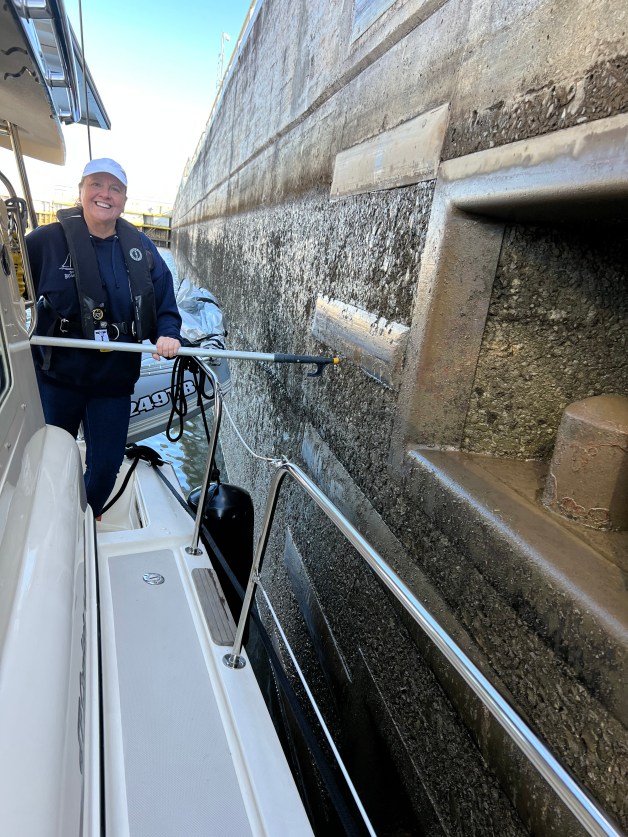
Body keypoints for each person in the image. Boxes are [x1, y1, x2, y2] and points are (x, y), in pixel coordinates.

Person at [27, 158, 182, 517]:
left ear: (124, 200)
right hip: (57, 376)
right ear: (81, 191)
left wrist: (169, 335)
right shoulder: (43, 242)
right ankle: (48, 519)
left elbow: (165, 307)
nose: (105, 194)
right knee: (49, 459)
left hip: (113, 380)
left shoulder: (142, 249)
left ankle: (83, 516)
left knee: (104, 469)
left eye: (115, 188)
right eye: (96, 184)